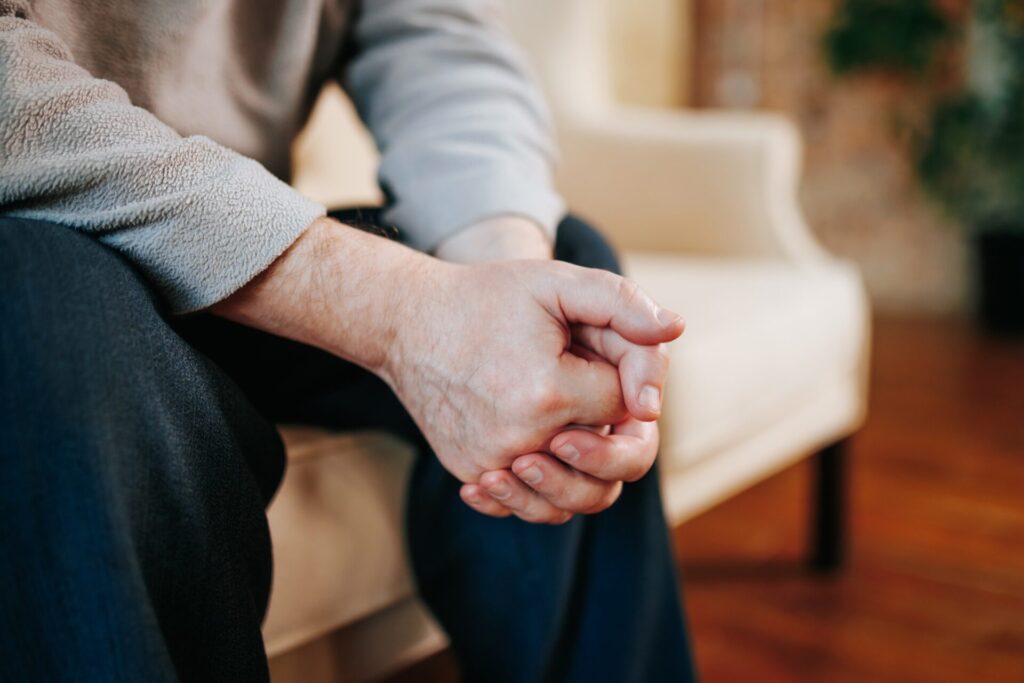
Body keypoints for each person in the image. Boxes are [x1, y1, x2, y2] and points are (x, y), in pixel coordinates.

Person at [0, 1, 697, 681]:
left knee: (575, 295)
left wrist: (510, 285)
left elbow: (434, 38)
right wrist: (397, 313)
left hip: (234, 244)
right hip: (44, 257)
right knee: (41, 302)